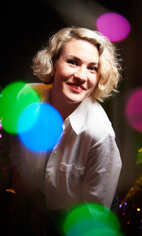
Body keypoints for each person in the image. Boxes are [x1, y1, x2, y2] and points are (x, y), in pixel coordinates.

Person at [10, 27, 122, 234]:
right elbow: (18, 151)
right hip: (40, 203)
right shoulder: (26, 98)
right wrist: (34, 205)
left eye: (92, 68)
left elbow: (94, 215)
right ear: (53, 64)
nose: (81, 76)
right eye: (73, 62)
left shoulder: (100, 134)